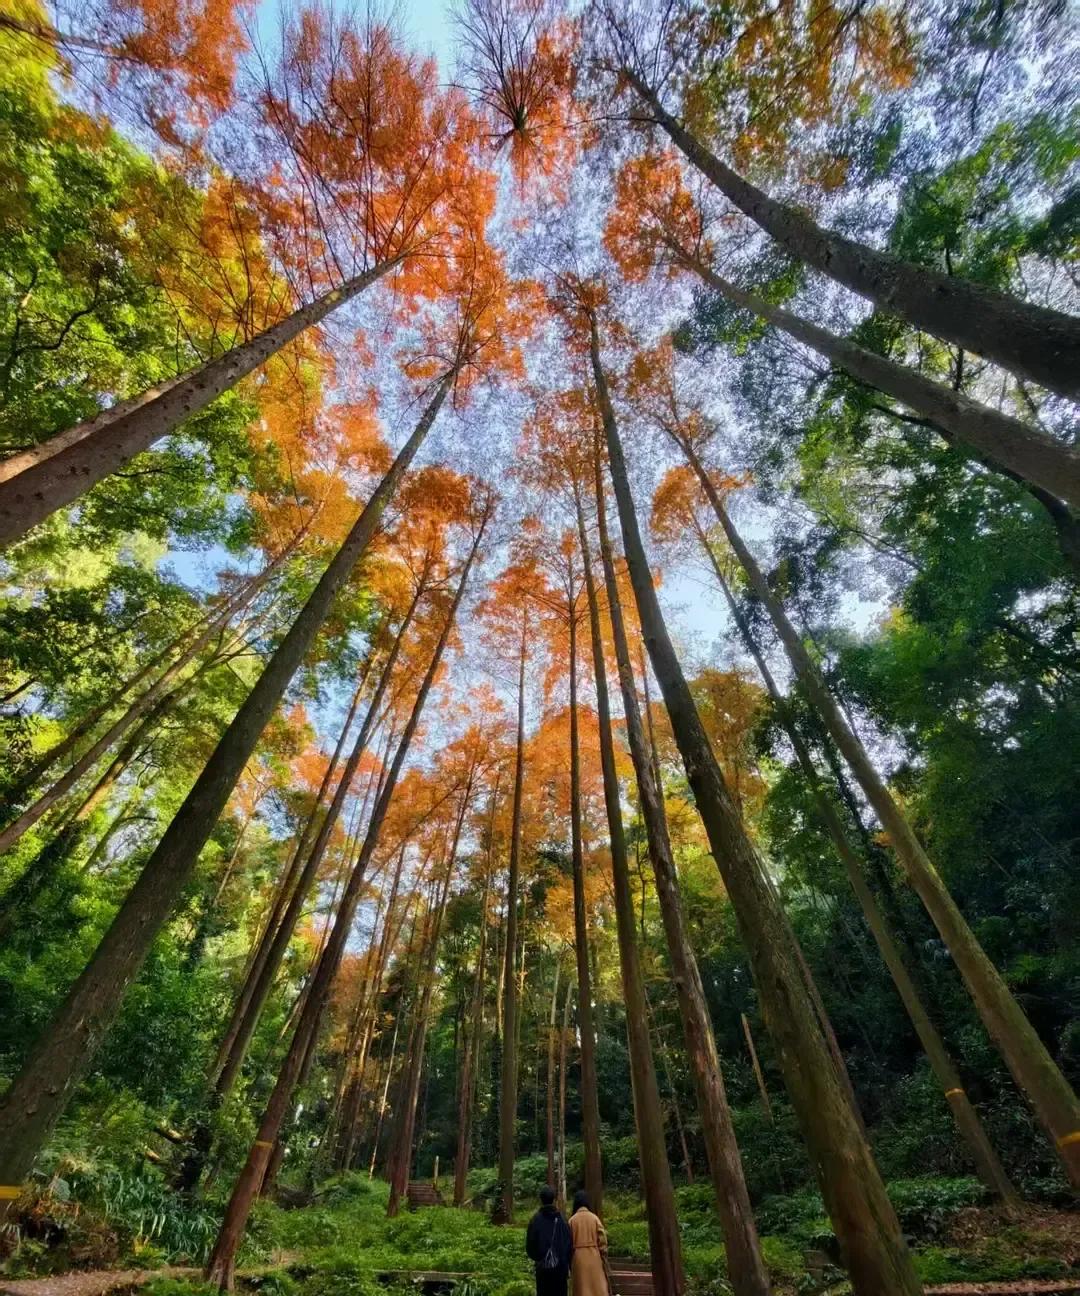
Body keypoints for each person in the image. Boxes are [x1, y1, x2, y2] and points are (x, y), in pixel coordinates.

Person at [526, 1185, 573, 1296]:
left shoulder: (535, 1220)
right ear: (554, 1199)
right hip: (560, 1270)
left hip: (543, 1269)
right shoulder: (562, 1220)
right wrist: (565, 1261)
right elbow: (568, 1243)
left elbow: (530, 1246)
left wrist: (539, 1258)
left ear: (541, 1199)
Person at [568, 1190, 609, 1296]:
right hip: (594, 1255)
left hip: (578, 1258)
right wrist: (603, 1255)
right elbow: (602, 1239)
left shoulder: (572, 1220)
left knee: (581, 1289)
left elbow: (568, 1242)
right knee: (597, 1288)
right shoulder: (594, 1218)